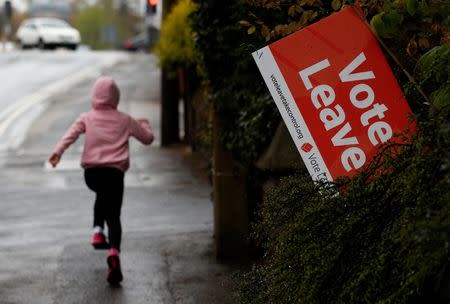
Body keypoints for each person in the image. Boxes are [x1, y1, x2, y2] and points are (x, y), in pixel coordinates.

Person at [48, 76, 154, 285]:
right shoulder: (125, 120)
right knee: (113, 215)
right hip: (114, 174)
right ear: (116, 97)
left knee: (101, 196)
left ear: (94, 96)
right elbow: (147, 139)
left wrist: (57, 152)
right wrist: (144, 124)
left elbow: (70, 134)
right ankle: (113, 253)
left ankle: (97, 231)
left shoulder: (86, 117)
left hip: (92, 175)